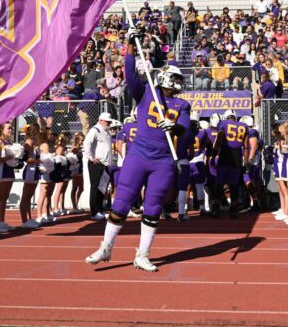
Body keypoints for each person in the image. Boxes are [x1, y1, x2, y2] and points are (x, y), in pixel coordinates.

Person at [85, 28, 190, 272]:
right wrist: (131, 45)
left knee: (153, 207)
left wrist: (174, 127)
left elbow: (185, 129)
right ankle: (106, 247)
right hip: (139, 154)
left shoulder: (182, 104)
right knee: (121, 203)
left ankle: (142, 255)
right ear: (163, 77)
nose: (177, 84)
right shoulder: (146, 93)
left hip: (163, 159)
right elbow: (130, 73)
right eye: (174, 79)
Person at [212, 109, 248, 219]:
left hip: (225, 155)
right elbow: (246, 146)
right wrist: (246, 161)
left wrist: (214, 155)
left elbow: (219, 138)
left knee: (220, 183)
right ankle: (233, 209)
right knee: (234, 185)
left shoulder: (222, 123)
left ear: (226, 117)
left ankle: (216, 209)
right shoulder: (244, 125)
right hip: (237, 156)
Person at [84, 112, 114, 220]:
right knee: (96, 188)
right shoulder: (95, 130)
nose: (109, 123)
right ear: (101, 120)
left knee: (102, 188)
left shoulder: (105, 131)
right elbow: (86, 144)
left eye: (109, 121)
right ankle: (94, 212)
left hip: (105, 163)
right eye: (107, 121)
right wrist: (92, 158)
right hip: (97, 163)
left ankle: (100, 209)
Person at [0, 122, 17, 233]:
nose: (10, 130)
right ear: (1, 129)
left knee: (5, 197)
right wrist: (7, 158)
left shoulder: (8, 142)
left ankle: (1, 222)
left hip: (9, 170)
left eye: (11, 128)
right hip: (2, 171)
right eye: (8, 128)